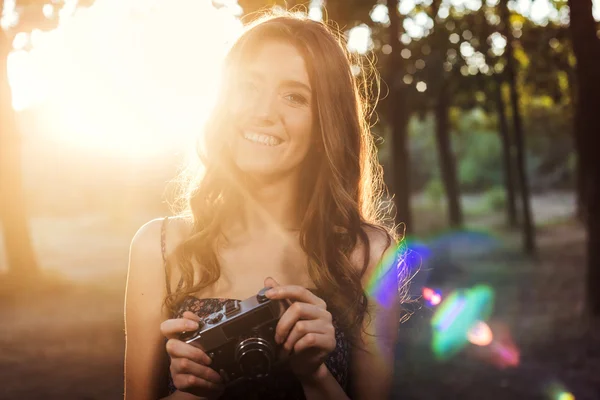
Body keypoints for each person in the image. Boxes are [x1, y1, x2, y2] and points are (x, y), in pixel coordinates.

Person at [124, 9, 408, 400]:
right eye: (248, 87)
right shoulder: (157, 247)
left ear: (325, 122)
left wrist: (314, 376)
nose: (263, 112)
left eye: (294, 96)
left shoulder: (369, 254)